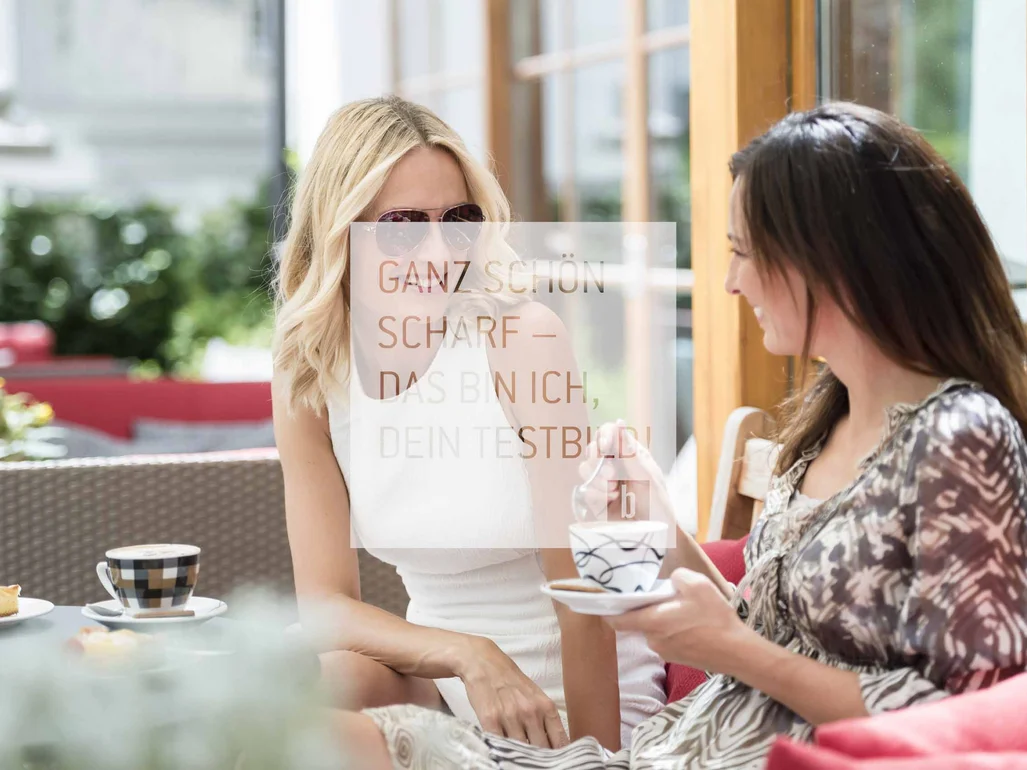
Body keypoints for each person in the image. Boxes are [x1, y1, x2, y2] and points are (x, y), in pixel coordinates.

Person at [331, 101, 1027, 769]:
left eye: (746, 253)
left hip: (734, 758)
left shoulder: (959, 439)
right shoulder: (828, 423)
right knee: (316, 732)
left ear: (836, 262)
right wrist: (657, 526)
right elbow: (757, 630)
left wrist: (729, 651)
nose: (729, 282)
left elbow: (964, 713)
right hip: (671, 750)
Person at [271, 95, 667, 754]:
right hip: (447, 678)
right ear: (341, 230)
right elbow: (324, 605)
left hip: (570, 693)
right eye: (402, 226)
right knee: (289, 693)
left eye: (457, 221)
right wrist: (464, 653)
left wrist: (593, 759)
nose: (438, 251)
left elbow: (582, 600)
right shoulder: (309, 376)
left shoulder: (518, 339)